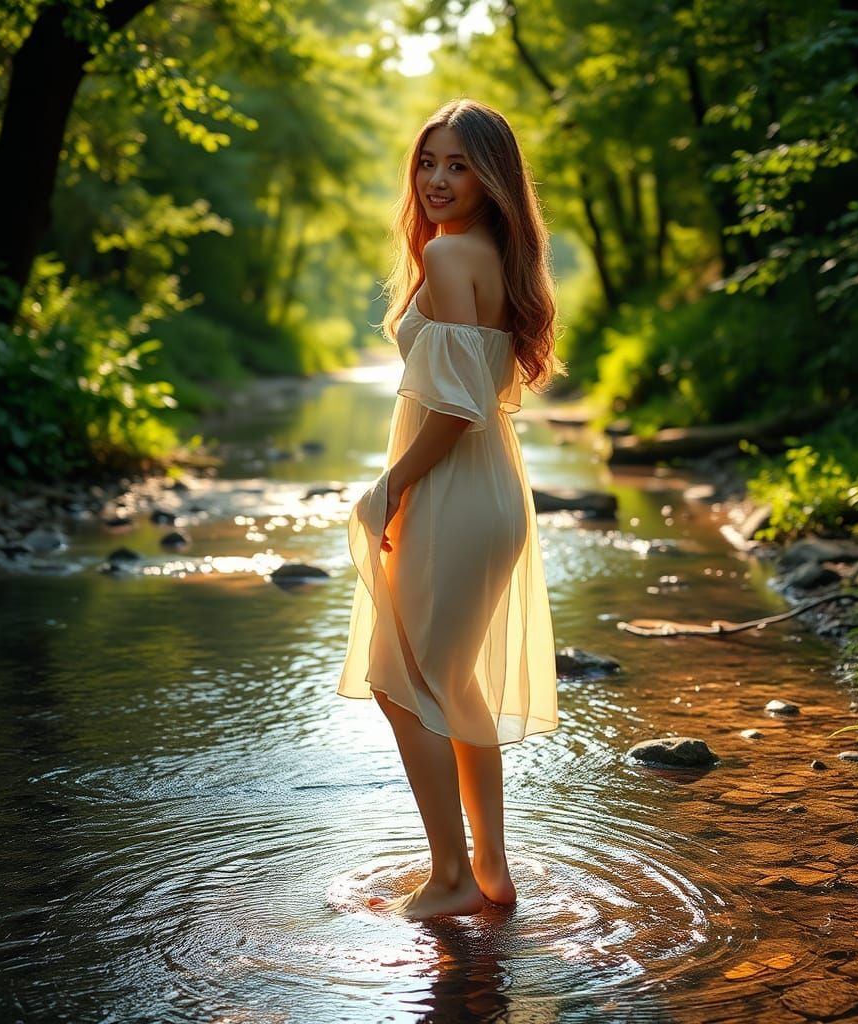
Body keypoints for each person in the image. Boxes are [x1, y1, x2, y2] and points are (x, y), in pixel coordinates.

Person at [337, 98, 565, 920]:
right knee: (451, 679)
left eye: (459, 164)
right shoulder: (496, 254)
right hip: (491, 490)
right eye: (428, 161)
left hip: (453, 489)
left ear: (492, 175)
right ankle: (491, 871)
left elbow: (459, 407)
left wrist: (390, 486)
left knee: (405, 686)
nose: (437, 178)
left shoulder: (449, 256)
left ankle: (452, 875)